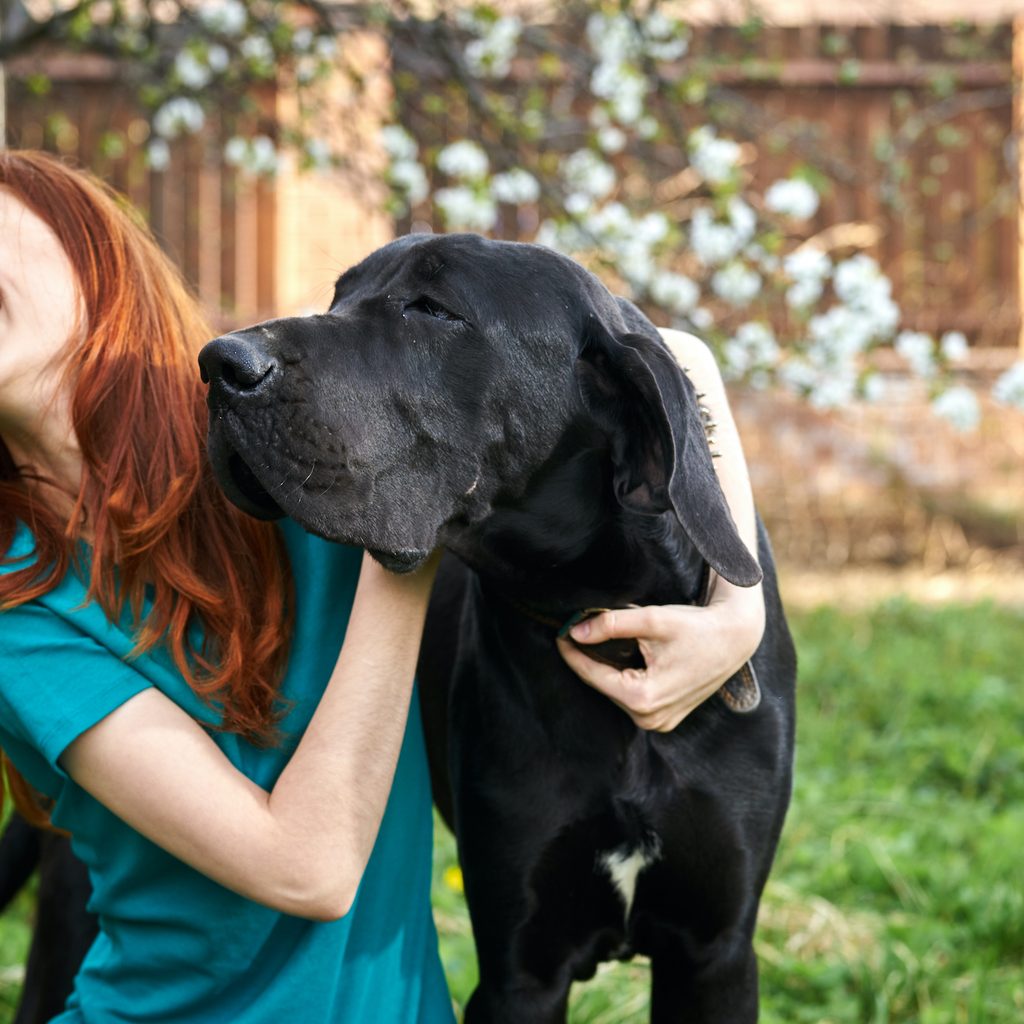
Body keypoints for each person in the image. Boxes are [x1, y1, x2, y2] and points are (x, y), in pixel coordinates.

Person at [0, 149, 764, 1021]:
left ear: (93, 256)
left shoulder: (269, 438)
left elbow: (669, 356)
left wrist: (741, 609)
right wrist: (410, 524)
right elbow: (308, 867)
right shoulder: (20, 614)